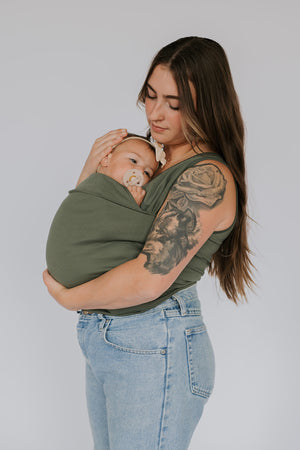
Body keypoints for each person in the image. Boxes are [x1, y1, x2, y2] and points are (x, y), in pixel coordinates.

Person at [43, 36, 254, 449]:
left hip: (155, 338)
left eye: (175, 105)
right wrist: (91, 171)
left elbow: (148, 279)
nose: (156, 113)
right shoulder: (150, 156)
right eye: (151, 95)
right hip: (113, 334)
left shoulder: (205, 178)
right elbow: (95, 225)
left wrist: (71, 299)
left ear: (206, 106)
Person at [45, 133, 165, 288]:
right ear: (106, 159)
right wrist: (131, 208)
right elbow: (129, 228)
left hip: (79, 271)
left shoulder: (105, 191)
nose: (139, 172)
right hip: (78, 263)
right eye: (133, 161)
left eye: (147, 172)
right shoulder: (97, 187)